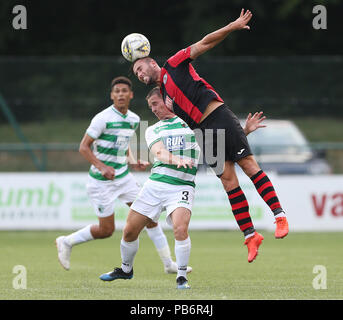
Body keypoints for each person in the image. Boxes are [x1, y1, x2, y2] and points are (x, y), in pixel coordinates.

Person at [132, 9, 289, 263]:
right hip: (204, 134)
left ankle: (279, 216)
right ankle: (250, 236)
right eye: (136, 74)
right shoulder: (166, 98)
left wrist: (232, 26)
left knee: (249, 166)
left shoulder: (173, 64)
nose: (139, 75)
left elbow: (204, 42)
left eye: (140, 68)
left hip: (219, 117)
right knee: (229, 183)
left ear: (152, 62)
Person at [99, 87, 265, 289]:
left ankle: (181, 277)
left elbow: (221, 143)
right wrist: (175, 159)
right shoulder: (153, 130)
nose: (153, 109)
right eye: (150, 105)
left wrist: (244, 131)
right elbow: (159, 153)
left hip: (182, 187)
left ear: (168, 101)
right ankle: (126, 270)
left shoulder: (193, 125)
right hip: (155, 185)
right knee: (129, 231)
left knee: (180, 228)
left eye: (155, 104)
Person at [55, 76, 184, 274]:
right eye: (117, 91)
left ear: (131, 95)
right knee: (106, 230)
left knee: (150, 218)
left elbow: (123, 147)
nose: (121, 94)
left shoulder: (133, 120)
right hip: (100, 182)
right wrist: (102, 167)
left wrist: (133, 161)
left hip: (124, 178)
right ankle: (66, 241)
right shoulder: (102, 118)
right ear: (112, 96)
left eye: (124, 91)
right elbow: (83, 147)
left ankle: (169, 264)